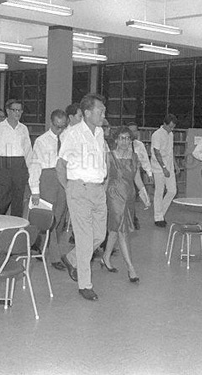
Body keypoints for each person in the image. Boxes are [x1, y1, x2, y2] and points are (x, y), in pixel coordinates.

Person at [56, 93, 108, 301]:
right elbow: (60, 165)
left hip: (98, 190)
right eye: (100, 110)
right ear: (87, 113)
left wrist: (103, 183)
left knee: (99, 236)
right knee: (86, 240)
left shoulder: (100, 133)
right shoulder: (72, 134)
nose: (104, 114)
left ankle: (71, 258)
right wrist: (69, 188)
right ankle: (85, 285)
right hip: (79, 189)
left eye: (104, 111)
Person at [101, 126, 149, 283]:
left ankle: (105, 257)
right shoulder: (109, 156)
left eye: (128, 138)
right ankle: (131, 268)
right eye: (122, 138)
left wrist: (144, 194)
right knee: (122, 230)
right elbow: (106, 179)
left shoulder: (134, 157)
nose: (125, 141)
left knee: (115, 229)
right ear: (116, 140)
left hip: (129, 196)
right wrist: (101, 198)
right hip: (114, 195)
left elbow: (137, 179)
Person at [0, 99, 32, 240]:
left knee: (18, 200)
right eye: (15, 110)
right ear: (8, 111)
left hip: (19, 165)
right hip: (3, 164)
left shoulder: (23, 128)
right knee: (2, 198)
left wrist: (31, 169)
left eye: (20, 110)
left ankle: (15, 231)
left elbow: (28, 150)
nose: (17, 113)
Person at [29, 109, 68, 271]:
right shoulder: (41, 141)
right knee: (50, 218)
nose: (60, 130)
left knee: (60, 218)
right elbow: (35, 165)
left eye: (63, 126)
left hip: (64, 178)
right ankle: (55, 256)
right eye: (57, 126)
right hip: (47, 178)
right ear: (51, 123)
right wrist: (35, 189)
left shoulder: (68, 138)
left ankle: (42, 243)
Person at [150, 114, 179, 228]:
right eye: (170, 127)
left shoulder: (171, 134)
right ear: (164, 124)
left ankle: (160, 213)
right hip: (158, 167)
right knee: (159, 192)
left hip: (169, 166)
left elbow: (171, 151)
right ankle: (158, 218)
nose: (171, 129)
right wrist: (163, 168)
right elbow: (157, 153)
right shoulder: (157, 135)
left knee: (172, 191)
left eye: (173, 127)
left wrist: (175, 165)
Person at [127, 122, 152, 230]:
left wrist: (149, 173)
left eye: (135, 130)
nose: (133, 133)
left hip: (134, 173)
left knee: (132, 198)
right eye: (130, 130)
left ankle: (132, 218)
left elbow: (145, 159)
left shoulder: (139, 145)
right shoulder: (121, 144)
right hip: (121, 177)